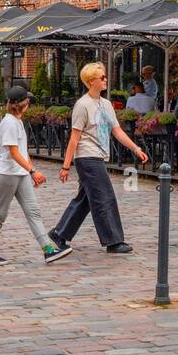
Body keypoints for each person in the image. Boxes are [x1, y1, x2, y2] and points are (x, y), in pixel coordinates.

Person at [49, 62, 148, 254]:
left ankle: (59, 234)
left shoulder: (106, 104)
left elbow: (117, 131)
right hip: (87, 156)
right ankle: (113, 241)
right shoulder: (82, 105)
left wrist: (136, 148)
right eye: (102, 77)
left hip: (99, 155)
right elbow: (74, 137)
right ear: (91, 81)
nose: (105, 80)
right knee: (104, 196)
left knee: (86, 199)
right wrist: (66, 166)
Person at [0, 86, 72, 265]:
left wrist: (30, 170)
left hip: (21, 173)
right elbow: (14, 153)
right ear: (20, 104)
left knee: (33, 211)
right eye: (27, 101)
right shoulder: (9, 122)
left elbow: (23, 152)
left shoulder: (17, 121)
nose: (29, 103)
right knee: (0, 213)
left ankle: (48, 249)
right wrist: (32, 170)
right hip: (7, 174)